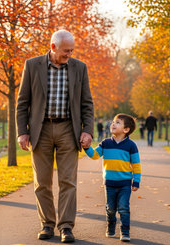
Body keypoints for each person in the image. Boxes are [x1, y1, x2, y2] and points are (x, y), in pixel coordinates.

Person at [16, 29, 94, 243]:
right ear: (53, 47)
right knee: (42, 182)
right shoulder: (32, 66)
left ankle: (66, 226)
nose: (69, 54)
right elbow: (22, 103)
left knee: (68, 181)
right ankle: (47, 224)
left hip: (69, 130)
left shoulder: (80, 67)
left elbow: (87, 103)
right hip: (40, 131)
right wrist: (22, 132)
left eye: (72, 50)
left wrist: (87, 130)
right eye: (65, 51)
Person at [83, 113, 141, 242]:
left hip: (125, 183)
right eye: (113, 121)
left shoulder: (131, 146)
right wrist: (87, 148)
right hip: (109, 183)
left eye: (118, 122)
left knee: (123, 208)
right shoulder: (106, 143)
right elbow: (95, 155)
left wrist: (136, 181)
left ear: (126, 130)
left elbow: (136, 165)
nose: (113, 124)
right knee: (110, 209)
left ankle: (125, 231)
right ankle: (111, 226)